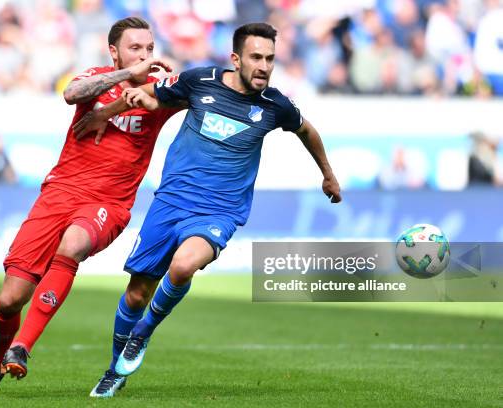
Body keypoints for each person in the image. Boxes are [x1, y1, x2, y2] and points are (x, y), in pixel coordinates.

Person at [84, 22, 342, 398]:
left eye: (270, 58)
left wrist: (328, 175)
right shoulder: (199, 82)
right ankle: (114, 370)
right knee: (137, 293)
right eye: (256, 57)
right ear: (236, 58)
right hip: (171, 202)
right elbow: (152, 96)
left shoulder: (275, 105)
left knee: (184, 264)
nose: (264, 66)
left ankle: (142, 334)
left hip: (220, 211)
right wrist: (106, 114)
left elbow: (307, 131)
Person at [0, 16, 180, 395]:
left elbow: (204, 89)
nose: (145, 55)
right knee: (10, 298)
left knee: (75, 244)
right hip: (59, 193)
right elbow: (72, 93)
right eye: (135, 48)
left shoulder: (160, 91)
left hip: (108, 203)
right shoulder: (96, 76)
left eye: (149, 48)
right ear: (114, 52)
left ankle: (23, 347)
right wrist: (126, 76)